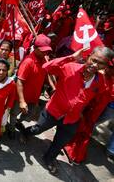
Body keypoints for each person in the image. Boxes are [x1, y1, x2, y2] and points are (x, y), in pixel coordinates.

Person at [22, 46, 112, 174]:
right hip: (53, 112)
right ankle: (26, 133)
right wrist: (72, 57)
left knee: (60, 143)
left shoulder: (101, 82)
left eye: (100, 63)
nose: (95, 65)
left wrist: (83, 113)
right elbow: (46, 67)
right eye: (94, 60)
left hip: (72, 119)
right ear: (89, 56)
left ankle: (49, 158)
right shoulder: (71, 67)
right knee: (37, 129)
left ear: (104, 66)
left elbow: (98, 99)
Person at [8, 34, 51, 140]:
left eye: (46, 50)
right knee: (14, 114)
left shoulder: (44, 60)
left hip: (34, 97)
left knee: (28, 115)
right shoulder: (28, 62)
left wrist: (52, 86)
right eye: (42, 50)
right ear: (35, 48)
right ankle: (11, 128)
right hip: (22, 97)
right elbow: (20, 82)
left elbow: (47, 75)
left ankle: (18, 123)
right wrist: (22, 101)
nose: (45, 52)